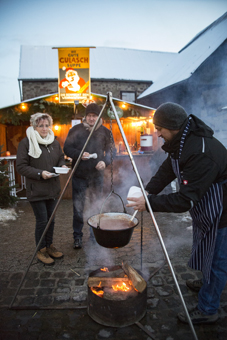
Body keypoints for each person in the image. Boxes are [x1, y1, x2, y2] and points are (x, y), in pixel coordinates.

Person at [127, 102, 227, 324]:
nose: (157, 132)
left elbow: (184, 200)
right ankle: (207, 283)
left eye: (160, 128)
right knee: (206, 248)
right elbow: (167, 170)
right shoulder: (180, 142)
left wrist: (149, 203)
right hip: (205, 208)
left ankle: (208, 309)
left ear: (172, 126)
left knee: (217, 261)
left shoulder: (201, 151)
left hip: (222, 212)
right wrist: (148, 190)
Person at [16, 113, 67, 265]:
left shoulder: (54, 142)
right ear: (34, 126)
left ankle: (49, 246)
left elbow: (60, 157)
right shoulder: (26, 143)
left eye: (46, 125)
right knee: (42, 220)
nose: (44, 129)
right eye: (40, 126)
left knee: (51, 220)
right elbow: (21, 166)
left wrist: (63, 164)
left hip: (52, 188)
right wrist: (39, 173)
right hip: (36, 189)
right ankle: (41, 250)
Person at [63, 103, 115, 249]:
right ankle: (77, 236)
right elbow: (66, 148)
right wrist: (79, 155)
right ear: (85, 116)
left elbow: (112, 152)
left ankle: (94, 236)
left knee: (95, 206)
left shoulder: (105, 132)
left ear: (99, 117)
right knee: (78, 208)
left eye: (95, 115)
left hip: (96, 176)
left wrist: (105, 162)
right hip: (79, 175)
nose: (92, 118)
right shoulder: (76, 130)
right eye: (89, 115)